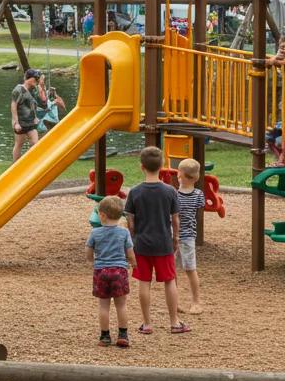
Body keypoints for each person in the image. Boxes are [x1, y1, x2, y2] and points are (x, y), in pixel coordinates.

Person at [124, 146, 188, 335]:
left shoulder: (135, 192)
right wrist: (175, 238)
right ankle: (174, 322)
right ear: (162, 165)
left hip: (142, 244)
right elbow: (175, 219)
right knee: (169, 281)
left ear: (141, 166)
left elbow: (130, 220)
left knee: (144, 281)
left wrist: (134, 237)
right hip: (163, 242)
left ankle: (147, 323)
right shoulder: (169, 191)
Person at [86, 195, 135, 348]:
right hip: (119, 271)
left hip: (101, 271)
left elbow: (88, 251)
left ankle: (105, 335)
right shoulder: (124, 233)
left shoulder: (95, 233)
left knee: (103, 305)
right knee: (121, 305)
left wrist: (93, 261)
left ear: (102, 215)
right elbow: (130, 252)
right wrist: (133, 263)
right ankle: (123, 334)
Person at [175, 158, 206, 315]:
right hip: (188, 237)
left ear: (179, 175)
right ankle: (195, 302)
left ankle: (178, 302)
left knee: (173, 271)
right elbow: (199, 214)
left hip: (175, 237)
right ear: (197, 177)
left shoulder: (173, 195)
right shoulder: (199, 194)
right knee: (190, 269)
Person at [11, 68, 48, 161]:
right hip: (21, 123)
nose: (37, 80)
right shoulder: (18, 89)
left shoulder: (32, 89)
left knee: (35, 144)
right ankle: (15, 167)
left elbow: (40, 103)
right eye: (35, 78)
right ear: (29, 78)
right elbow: (13, 106)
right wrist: (16, 123)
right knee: (19, 145)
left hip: (31, 122)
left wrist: (35, 117)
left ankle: (26, 162)